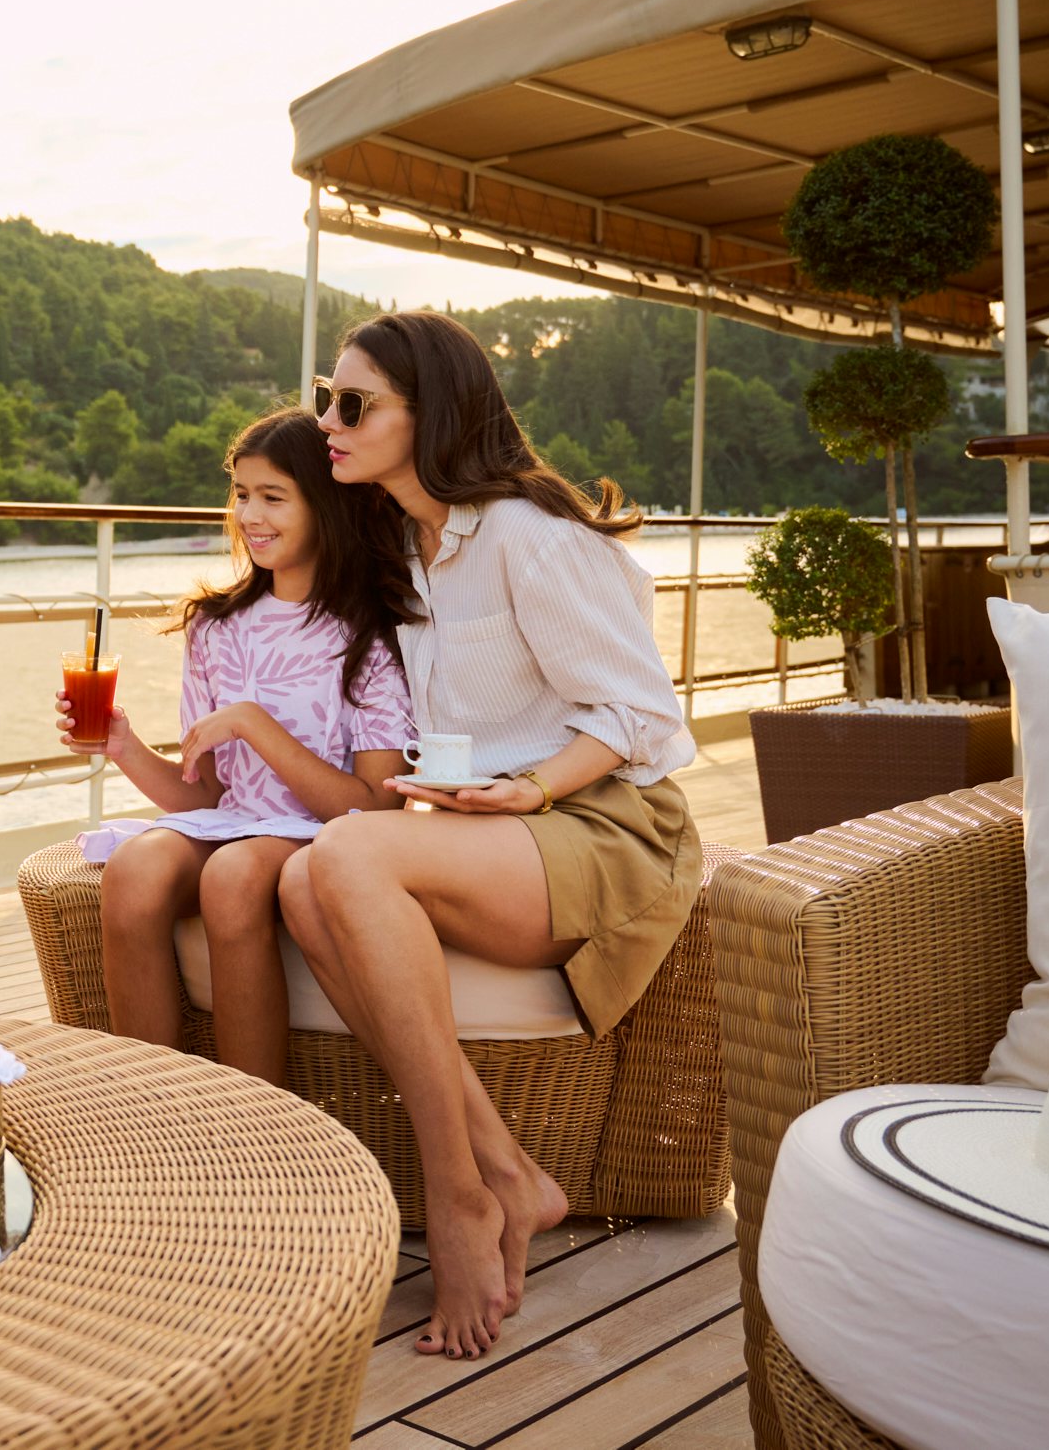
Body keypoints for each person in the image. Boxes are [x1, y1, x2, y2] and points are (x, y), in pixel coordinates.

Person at [287, 311, 698, 1363]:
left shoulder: (526, 534)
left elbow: (643, 712)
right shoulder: (404, 542)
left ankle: (457, 1192)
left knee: (344, 853)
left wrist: (532, 787)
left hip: (607, 824)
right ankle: (508, 1173)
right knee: (299, 879)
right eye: (325, 398)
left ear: (430, 414)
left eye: (352, 403)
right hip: (501, 826)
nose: (326, 420)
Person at [61, 409, 417, 1085]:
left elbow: (374, 807)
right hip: (233, 824)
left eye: (273, 497)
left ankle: (254, 1114)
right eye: (242, 493)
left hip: (326, 837)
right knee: (134, 870)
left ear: (327, 505)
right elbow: (206, 794)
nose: (250, 515)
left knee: (231, 875)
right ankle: (150, 1104)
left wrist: (255, 723)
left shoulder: (373, 634)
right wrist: (124, 747)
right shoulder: (215, 627)